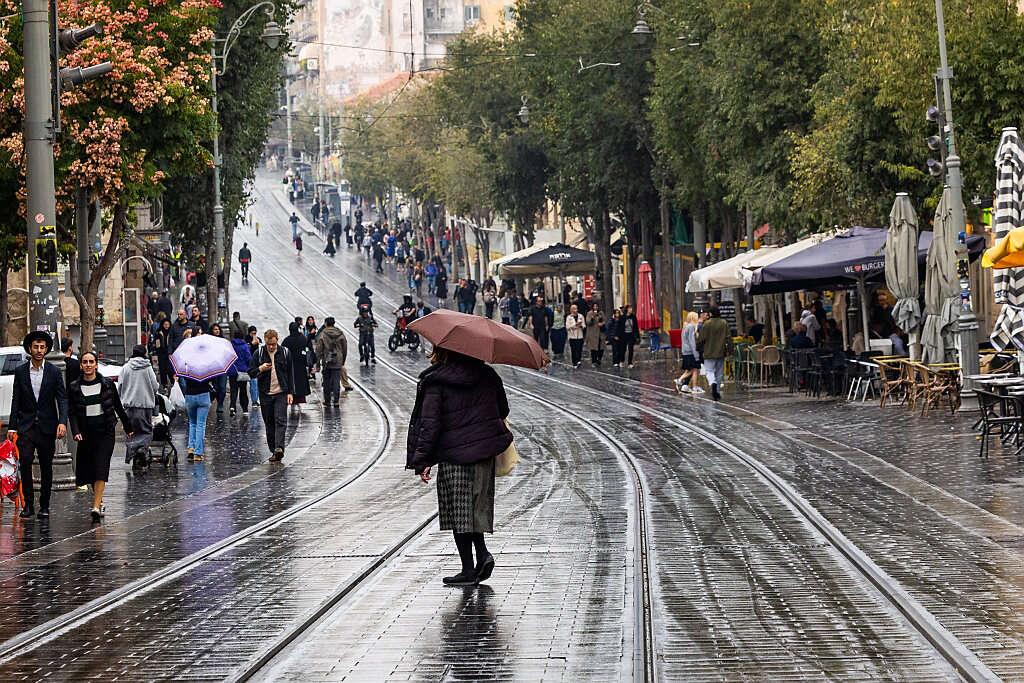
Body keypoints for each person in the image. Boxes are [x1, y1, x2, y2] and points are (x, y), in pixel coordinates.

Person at [407, 348, 513, 586]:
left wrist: (422, 460)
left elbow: (430, 425)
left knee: (459, 512)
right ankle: (482, 554)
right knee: (475, 508)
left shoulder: (437, 380)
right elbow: (503, 410)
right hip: (483, 454)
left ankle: (468, 568)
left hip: (454, 455)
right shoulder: (488, 375)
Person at [8, 331, 68, 519]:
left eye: (42, 347)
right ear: (29, 348)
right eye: (36, 347)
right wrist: (12, 426)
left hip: (47, 426)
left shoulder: (54, 371)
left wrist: (62, 422)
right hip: (26, 427)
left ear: (47, 349)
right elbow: (15, 399)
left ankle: (44, 506)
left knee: (45, 466)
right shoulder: (20, 371)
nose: (39, 350)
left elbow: (62, 399)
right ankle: (28, 505)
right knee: (25, 462)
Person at [67, 351, 132, 523]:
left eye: (91, 362)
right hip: (85, 433)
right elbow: (72, 413)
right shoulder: (74, 387)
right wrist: (75, 431)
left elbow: (117, 406)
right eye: (85, 362)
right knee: (88, 469)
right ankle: (99, 499)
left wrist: (127, 426)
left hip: (105, 432)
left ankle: (95, 506)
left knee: (101, 466)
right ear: (81, 365)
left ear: (96, 364)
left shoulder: (107, 384)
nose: (88, 365)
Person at [249, 329, 294, 462]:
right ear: (266, 342)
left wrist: (291, 392)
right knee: (269, 423)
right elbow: (250, 372)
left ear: (277, 340)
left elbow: (290, 373)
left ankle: (279, 448)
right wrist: (260, 369)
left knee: (280, 420)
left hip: (281, 392)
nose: (271, 347)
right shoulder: (259, 353)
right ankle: (273, 449)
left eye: (273, 344)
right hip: (265, 394)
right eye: (269, 344)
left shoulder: (285, 353)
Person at [118, 344, 159, 465]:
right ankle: (141, 448)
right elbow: (155, 386)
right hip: (145, 405)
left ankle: (133, 451)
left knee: (131, 431)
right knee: (146, 431)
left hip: (129, 406)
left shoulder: (126, 368)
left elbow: (120, 386)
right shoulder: (148, 368)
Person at [697, 306, 730, 401]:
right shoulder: (724, 323)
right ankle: (717, 391)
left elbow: (701, 339)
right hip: (721, 351)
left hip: (709, 352)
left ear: (711, 314)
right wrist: (730, 350)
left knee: (709, 371)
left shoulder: (707, 324)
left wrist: (698, 348)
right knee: (719, 372)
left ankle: (713, 383)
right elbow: (728, 338)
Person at [315, 317, 348, 407]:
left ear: (326, 323)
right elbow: (344, 348)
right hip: (338, 361)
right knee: (336, 381)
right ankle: (336, 401)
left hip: (327, 361)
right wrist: (343, 360)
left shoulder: (322, 334)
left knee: (327, 382)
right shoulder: (340, 333)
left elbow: (318, 350)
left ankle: (328, 400)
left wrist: (317, 363)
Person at [181, 371, 213, 462]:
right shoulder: (206, 365)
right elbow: (212, 378)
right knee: (200, 425)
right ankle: (198, 453)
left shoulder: (187, 364)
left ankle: (191, 448)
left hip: (190, 395)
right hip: (203, 394)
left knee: (192, 423)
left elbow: (184, 378)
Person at [282, 322, 312, 405]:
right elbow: (309, 350)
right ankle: (300, 399)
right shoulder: (303, 338)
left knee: (292, 382)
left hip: (290, 366)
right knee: (301, 383)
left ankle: (293, 399)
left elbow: (282, 353)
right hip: (301, 365)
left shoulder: (287, 340)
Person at [674, 312, 704, 394]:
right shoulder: (691, 327)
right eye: (696, 317)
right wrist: (696, 354)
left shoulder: (685, 326)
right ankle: (680, 380)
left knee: (693, 369)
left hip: (686, 351)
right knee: (694, 369)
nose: (698, 319)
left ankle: (694, 386)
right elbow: (692, 342)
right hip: (690, 352)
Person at [229, 330, 253, 415]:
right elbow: (248, 358)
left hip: (232, 371)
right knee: (243, 390)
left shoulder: (230, 346)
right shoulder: (244, 346)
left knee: (233, 390)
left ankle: (232, 406)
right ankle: (245, 409)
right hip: (242, 371)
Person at [208, 323, 229, 414]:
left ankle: (220, 404)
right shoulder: (209, 341)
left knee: (222, 388)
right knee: (215, 387)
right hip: (213, 367)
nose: (217, 331)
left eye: (218, 329)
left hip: (223, 367)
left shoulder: (223, 341)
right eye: (215, 329)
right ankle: (212, 400)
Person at [565, 304, 586, 368]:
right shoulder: (569, 317)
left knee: (579, 349)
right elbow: (567, 327)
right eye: (573, 309)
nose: (575, 310)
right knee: (573, 350)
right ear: (571, 310)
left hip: (580, 335)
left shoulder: (581, 316)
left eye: (576, 309)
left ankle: (578, 360)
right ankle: (574, 363)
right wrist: (575, 325)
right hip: (572, 336)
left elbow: (584, 325)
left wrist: (581, 326)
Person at [247, 326, 261, 407]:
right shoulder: (246, 340)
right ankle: (254, 400)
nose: (254, 335)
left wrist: (259, 344)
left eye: (255, 333)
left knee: (256, 382)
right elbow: (245, 350)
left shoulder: (258, 339)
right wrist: (251, 344)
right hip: (249, 364)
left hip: (257, 364)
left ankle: (255, 400)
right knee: (253, 382)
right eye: (252, 333)